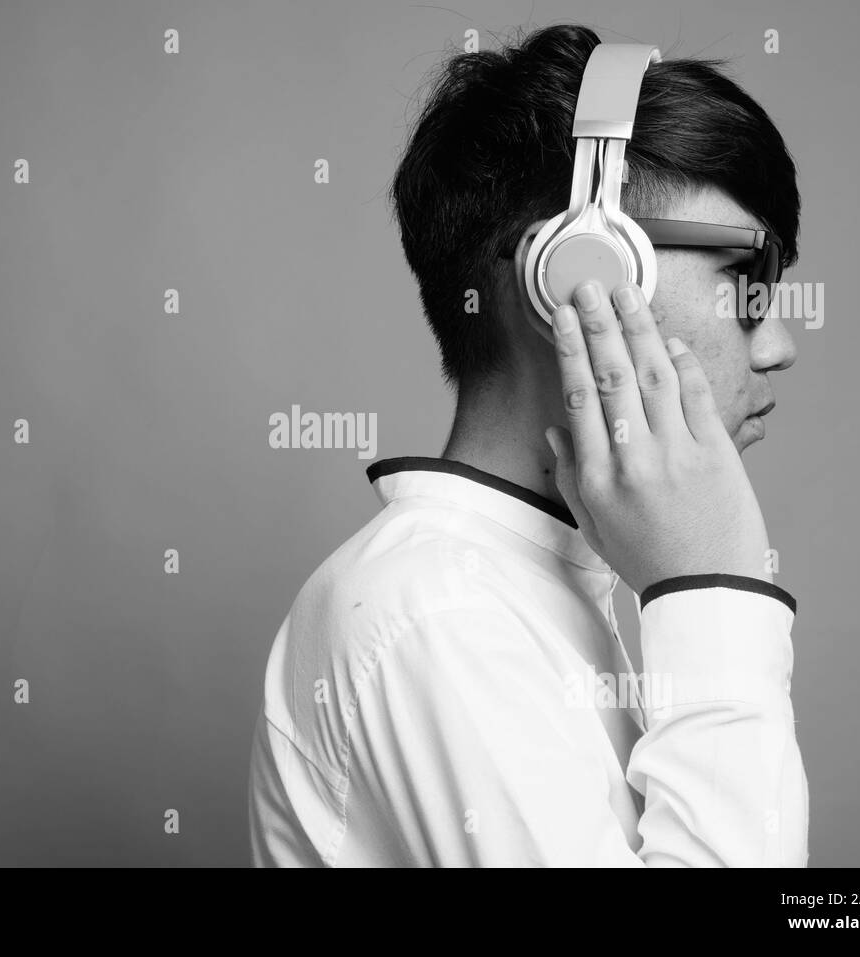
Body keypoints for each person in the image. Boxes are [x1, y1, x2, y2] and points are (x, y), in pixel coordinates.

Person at [247, 22, 808, 866]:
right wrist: (713, 591)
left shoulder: (514, 592)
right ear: (573, 277)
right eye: (748, 277)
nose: (778, 345)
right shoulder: (437, 616)